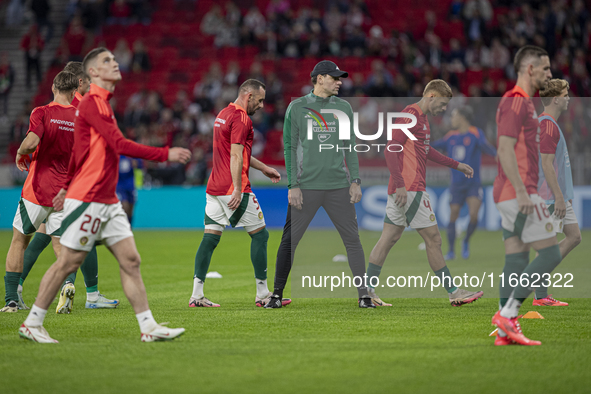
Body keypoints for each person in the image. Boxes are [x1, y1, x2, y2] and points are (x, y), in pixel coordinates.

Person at [18, 47, 191, 343]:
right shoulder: (93, 104)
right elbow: (118, 143)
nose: (115, 62)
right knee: (67, 263)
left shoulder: (102, 104)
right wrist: (165, 154)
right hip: (90, 198)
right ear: (93, 73)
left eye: (114, 58)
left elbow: (80, 153)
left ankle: (148, 327)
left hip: (106, 199)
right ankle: (32, 323)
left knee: (131, 260)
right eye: (107, 60)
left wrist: (64, 184)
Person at [265, 60, 375, 309]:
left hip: (339, 186)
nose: (340, 82)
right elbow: (290, 148)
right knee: (289, 241)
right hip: (306, 187)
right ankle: (277, 295)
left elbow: (350, 146)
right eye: (335, 78)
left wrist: (355, 181)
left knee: (352, 240)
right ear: (320, 78)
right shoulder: (297, 107)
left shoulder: (344, 107)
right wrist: (292, 185)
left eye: (340, 78)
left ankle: (364, 295)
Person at [365, 80, 483, 307]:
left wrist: (456, 164)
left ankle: (367, 291)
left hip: (404, 188)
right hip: (409, 188)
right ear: (431, 96)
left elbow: (426, 151)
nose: (444, 109)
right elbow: (391, 149)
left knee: (388, 238)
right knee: (434, 239)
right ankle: (454, 292)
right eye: (442, 103)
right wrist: (400, 183)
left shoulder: (422, 119)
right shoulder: (411, 115)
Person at [18, 61, 118, 314]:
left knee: (40, 237)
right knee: (81, 236)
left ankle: (15, 290)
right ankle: (88, 293)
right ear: (80, 82)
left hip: (43, 185)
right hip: (74, 185)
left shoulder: (52, 109)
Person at [189, 79, 283, 308]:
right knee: (260, 236)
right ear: (248, 95)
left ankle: (196, 295)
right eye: (260, 100)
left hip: (214, 187)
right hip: (233, 188)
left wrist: (263, 168)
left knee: (210, 238)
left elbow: (236, 152)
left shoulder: (223, 113)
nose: (261, 106)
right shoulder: (242, 118)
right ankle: (263, 294)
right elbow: (236, 157)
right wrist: (239, 189)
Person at [491, 45, 561, 346]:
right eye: (545, 68)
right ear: (530, 69)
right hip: (517, 191)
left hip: (511, 191)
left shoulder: (525, 104)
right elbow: (504, 148)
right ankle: (508, 314)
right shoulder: (516, 101)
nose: (550, 73)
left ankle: (505, 330)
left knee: (516, 258)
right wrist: (522, 190)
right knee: (550, 253)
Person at [1, 71, 79, 313]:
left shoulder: (42, 112)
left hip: (38, 189)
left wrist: (20, 152)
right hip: (65, 192)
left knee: (19, 240)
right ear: (75, 92)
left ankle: (12, 300)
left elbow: (32, 142)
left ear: (54, 87)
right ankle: (67, 285)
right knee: (60, 245)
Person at [534, 79, 581, 306]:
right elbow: (546, 164)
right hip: (549, 197)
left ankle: (537, 282)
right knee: (548, 247)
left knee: (574, 236)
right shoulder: (548, 125)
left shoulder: (549, 123)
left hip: (556, 194)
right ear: (555, 99)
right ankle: (539, 293)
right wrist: (559, 197)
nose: (568, 98)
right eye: (565, 94)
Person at [431, 106, 497, 260]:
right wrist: (418, 144)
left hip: (473, 183)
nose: (451, 119)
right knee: (453, 215)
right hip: (456, 184)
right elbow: (435, 146)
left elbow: (487, 147)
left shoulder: (475, 133)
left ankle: (466, 240)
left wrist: (497, 155)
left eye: (454, 115)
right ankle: (451, 251)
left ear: (462, 117)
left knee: (474, 215)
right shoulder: (450, 136)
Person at [117, 155, 141, 226]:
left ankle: (129, 227)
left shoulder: (131, 153)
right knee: (124, 206)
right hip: (119, 184)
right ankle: (123, 227)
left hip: (130, 185)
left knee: (131, 209)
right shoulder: (117, 153)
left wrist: (136, 163)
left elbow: (141, 164)